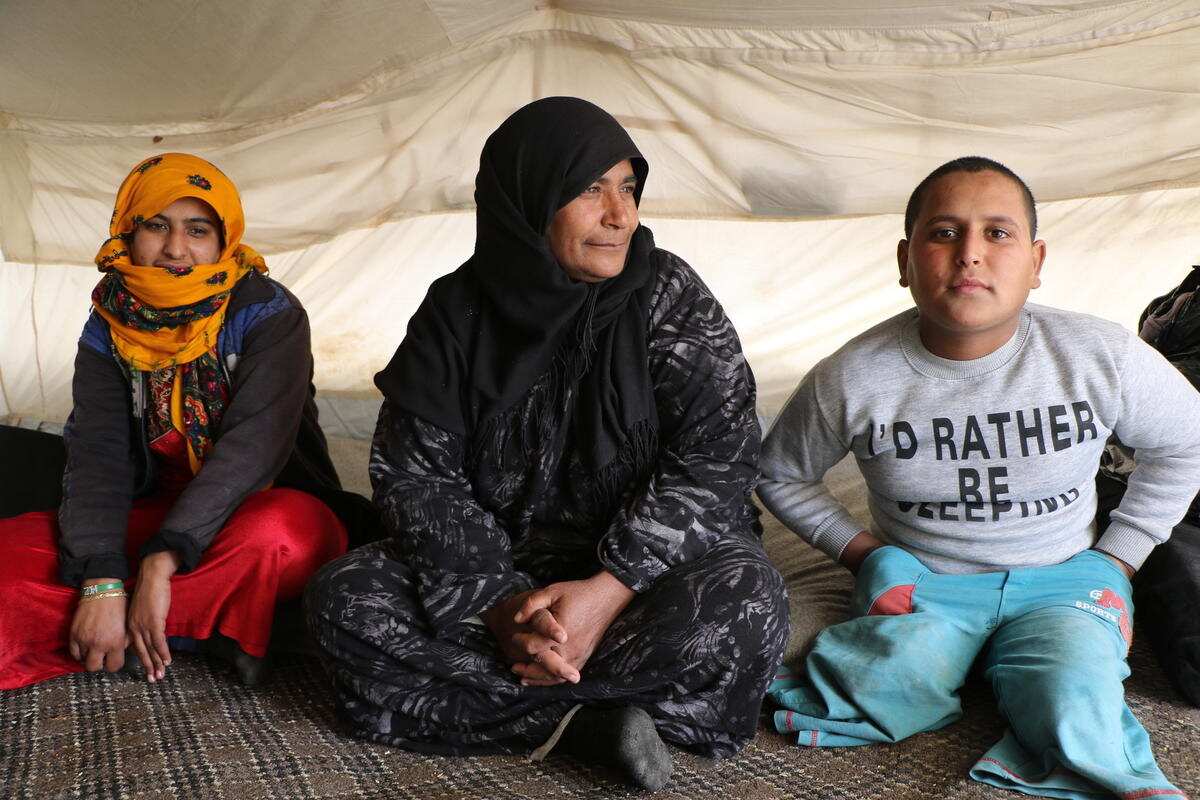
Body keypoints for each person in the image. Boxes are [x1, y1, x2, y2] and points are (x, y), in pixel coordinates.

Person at [305, 97, 788, 790]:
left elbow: (720, 457)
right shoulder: (455, 312)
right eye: (590, 189)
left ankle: (504, 709)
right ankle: (591, 722)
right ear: (527, 200)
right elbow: (416, 478)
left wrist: (608, 590)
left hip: (641, 579)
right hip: (502, 570)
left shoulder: (667, 293)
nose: (620, 216)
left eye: (628, 188)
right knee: (344, 598)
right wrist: (501, 608)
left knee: (746, 600)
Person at [758, 156, 1200, 799]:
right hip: (927, 586)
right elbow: (779, 473)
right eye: (944, 233)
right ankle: (937, 670)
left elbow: (1187, 441)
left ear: (1036, 261)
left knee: (1076, 703)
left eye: (998, 233)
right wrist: (866, 555)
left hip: (1064, 583)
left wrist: (1120, 558)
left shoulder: (1102, 356)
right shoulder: (853, 376)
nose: (970, 253)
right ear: (905, 260)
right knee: (876, 683)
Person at [0, 153, 350, 690]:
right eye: (157, 226)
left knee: (282, 539)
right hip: (152, 506)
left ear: (224, 238)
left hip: (252, 509)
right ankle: (208, 624)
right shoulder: (109, 322)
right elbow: (98, 455)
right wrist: (101, 580)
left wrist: (159, 563)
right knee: (11, 552)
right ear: (128, 230)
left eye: (198, 230)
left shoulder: (268, 314)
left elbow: (252, 451)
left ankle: (128, 623)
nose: (175, 249)